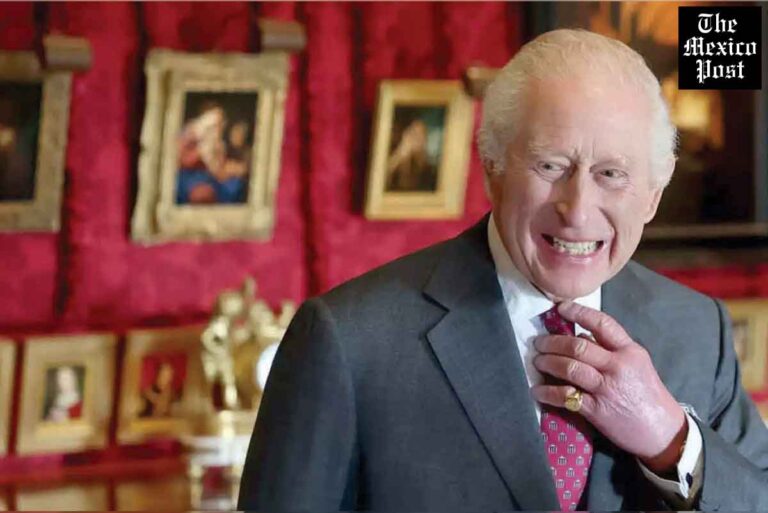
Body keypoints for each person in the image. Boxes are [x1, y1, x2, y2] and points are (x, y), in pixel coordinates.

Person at [238, 29, 768, 510]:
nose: (577, 210)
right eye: (550, 166)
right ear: (492, 167)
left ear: (654, 192)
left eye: (611, 174)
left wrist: (672, 440)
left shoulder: (698, 330)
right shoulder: (350, 340)